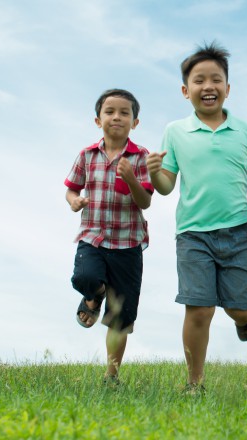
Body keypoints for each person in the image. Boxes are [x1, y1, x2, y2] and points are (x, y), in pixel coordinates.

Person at [146, 42, 247, 395]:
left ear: (228, 88)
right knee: (199, 309)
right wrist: (155, 173)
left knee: (237, 307)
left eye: (216, 79)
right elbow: (167, 186)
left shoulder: (245, 131)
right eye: (199, 80)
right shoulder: (175, 131)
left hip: (238, 232)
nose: (208, 86)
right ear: (186, 91)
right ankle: (194, 383)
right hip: (193, 234)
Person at [65, 88, 154, 385]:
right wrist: (74, 201)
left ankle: (111, 375)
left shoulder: (141, 157)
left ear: (135, 122)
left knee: (121, 316)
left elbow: (145, 202)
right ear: (97, 119)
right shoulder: (87, 155)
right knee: (84, 277)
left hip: (128, 243)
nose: (117, 117)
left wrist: (130, 178)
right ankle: (94, 295)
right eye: (110, 112)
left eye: (124, 113)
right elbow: (72, 188)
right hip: (93, 236)